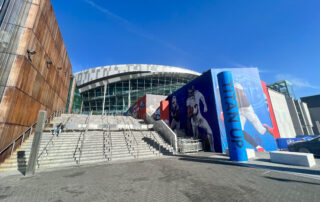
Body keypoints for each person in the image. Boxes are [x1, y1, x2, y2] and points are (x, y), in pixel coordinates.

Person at [234, 82, 275, 152]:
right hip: (239, 111)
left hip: (247, 110)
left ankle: (266, 129)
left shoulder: (237, 88)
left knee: (261, 131)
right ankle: (258, 146)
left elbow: (239, 96)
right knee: (239, 130)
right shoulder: (228, 91)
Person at [186, 86, 215, 152]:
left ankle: (212, 149)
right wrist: (190, 114)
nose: (190, 94)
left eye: (191, 92)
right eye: (189, 93)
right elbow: (188, 110)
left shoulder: (197, 94)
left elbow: (202, 97)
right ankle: (195, 149)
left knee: (210, 132)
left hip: (200, 118)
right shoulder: (188, 100)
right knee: (195, 136)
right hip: (194, 120)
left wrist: (205, 106)